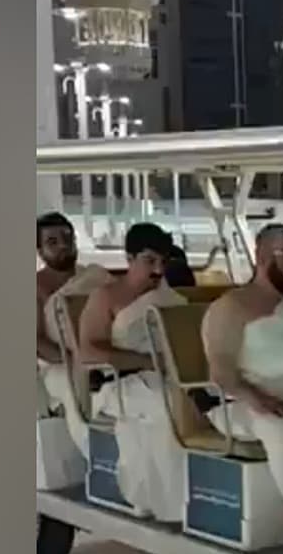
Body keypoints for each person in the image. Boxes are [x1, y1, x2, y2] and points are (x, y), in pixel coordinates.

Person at [200, 224, 283, 500]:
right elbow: (221, 371)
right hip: (246, 401)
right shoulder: (231, 306)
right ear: (262, 257)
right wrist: (262, 401)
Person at [79, 223, 188, 521]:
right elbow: (88, 351)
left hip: (165, 378)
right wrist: (145, 361)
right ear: (129, 259)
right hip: (117, 384)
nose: (158, 270)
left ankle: (186, 498)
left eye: (163, 262)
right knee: (167, 407)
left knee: (195, 401)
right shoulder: (105, 297)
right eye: (149, 261)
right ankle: (163, 501)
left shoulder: (170, 298)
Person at [35, 213, 111, 439]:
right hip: (59, 364)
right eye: (53, 242)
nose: (63, 246)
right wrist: (78, 363)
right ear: (39, 251)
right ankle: (88, 448)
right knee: (74, 389)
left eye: (68, 238)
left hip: (101, 356)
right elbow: (37, 342)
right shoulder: (35, 287)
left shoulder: (94, 277)